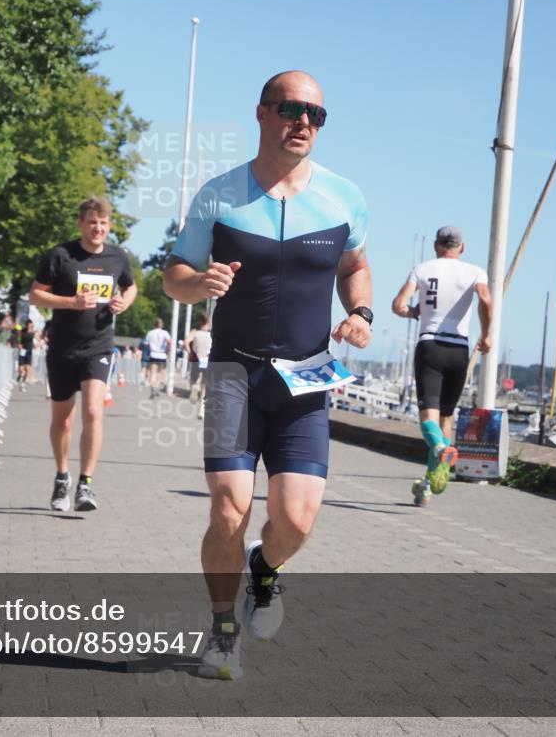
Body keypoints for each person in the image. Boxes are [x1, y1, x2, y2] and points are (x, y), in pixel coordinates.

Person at [163, 70, 372, 680]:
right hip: (233, 374)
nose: (303, 121)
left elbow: (356, 265)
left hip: (306, 378)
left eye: (315, 114)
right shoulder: (219, 195)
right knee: (229, 509)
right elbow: (173, 272)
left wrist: (359, 312)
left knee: (297, 517)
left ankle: (265, 571)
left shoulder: (344, 198)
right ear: (262, 113)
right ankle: (223, 631)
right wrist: (197, 283)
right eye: (290, 108)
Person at [29, 196, 137, 512]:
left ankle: (85, 485)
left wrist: (124, 302)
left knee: (92, 411)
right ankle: (62, 476)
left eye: (103, 223)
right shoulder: (60, 256)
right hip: (62, 347)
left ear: (109, 226)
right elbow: (35, 295)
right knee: (63, 420)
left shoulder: (118, 258)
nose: (98, 228)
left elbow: (130, 287)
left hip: (99, 347)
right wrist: (71, 303)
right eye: (92, 222)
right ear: (81, 224)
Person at [391, 226, 492, 507]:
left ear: (436, 246)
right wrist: (486, 334)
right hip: (459, 349)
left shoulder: (422, 268)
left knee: (429, 421)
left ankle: (439, 448)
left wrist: (414, 313)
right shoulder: (475, 271)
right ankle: (431, 483)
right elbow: (485, 298)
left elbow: (398, 304)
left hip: (430, 347)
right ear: (462, 248)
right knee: (446, 419)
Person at [184, 312, 213, 418]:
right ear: (208, 322)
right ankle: (201, 410)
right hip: (208, 358)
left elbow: (186, 342)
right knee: (205, 387)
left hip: (196, 358)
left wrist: (190, 352)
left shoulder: (195, 333)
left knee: (195, 379)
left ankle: (195, 386)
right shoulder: (212, 334)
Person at [144, 319, 171, 398]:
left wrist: (152, 348)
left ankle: (152, 387)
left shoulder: (150, 333)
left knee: (153, 373)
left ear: (154, 324)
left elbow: (147, 344)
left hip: (153, 354)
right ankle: (157, 387)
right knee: (160, 373)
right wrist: (167, 350)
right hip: (162, 355)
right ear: (161, 325)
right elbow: (169, 342)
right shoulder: (165, 333)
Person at [16, 319, 35, 392]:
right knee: (21, 369)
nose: (30, 325)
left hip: (29, 351)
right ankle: (20, 377)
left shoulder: (33, 332)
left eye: (31, 324)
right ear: (27, 325)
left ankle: (23, 383)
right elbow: (18, 339)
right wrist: (19, 344)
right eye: (29, 324)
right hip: (23, 350)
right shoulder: (22, 332)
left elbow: (37, 338)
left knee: (27, 369)